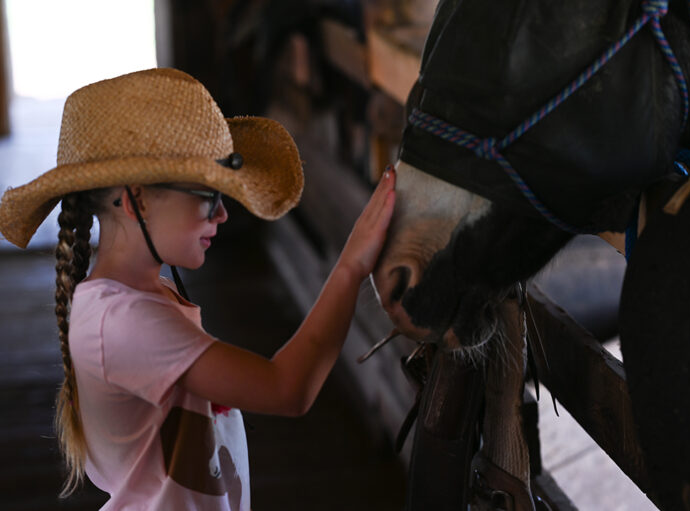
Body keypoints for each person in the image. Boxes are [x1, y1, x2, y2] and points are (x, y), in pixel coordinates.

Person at [0, 68, 396, 510]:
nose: (222, 214)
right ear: (136, 201)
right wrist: (350, 266)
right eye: (208, 195)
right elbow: (288, 388)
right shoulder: (125, 320)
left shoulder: (145, 298)